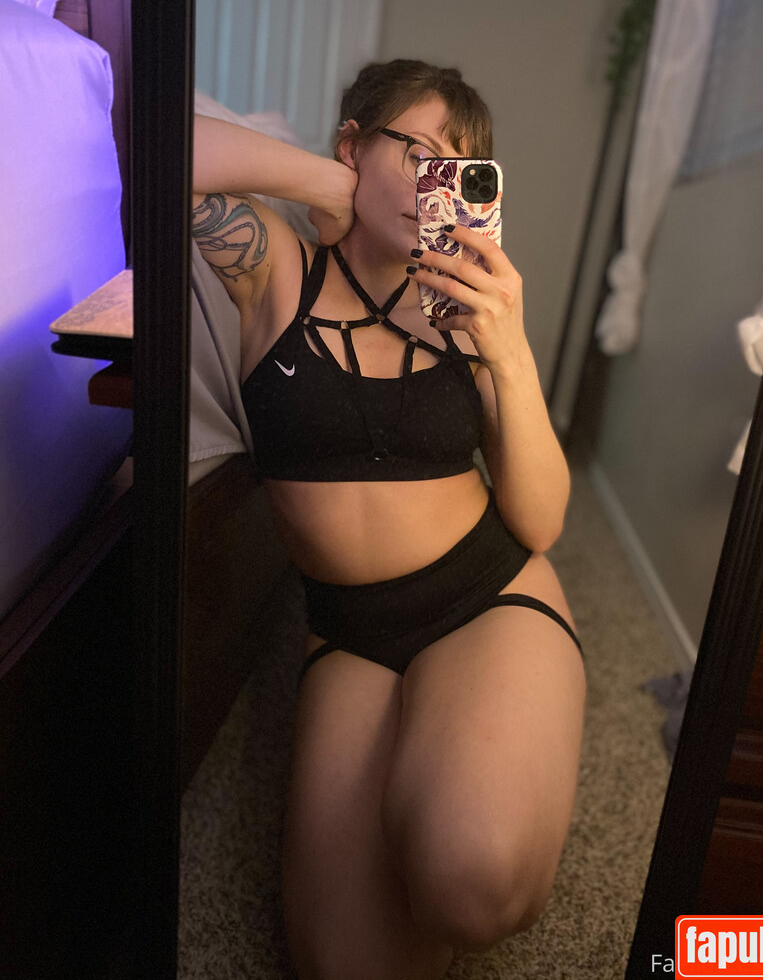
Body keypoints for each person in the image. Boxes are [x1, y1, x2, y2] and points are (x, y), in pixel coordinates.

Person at [191, 59, 586, 980]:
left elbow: (541, 522)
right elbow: (162, 149)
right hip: (348, 636)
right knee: (343, 968)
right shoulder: (277, 268)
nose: (435, 184)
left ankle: (465, 766)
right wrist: (332, 188)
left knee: (471, 880)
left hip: (485, 599)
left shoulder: (464, 309)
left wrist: (508, 352)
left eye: (460, 169)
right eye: (418, 154)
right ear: (352, 145)